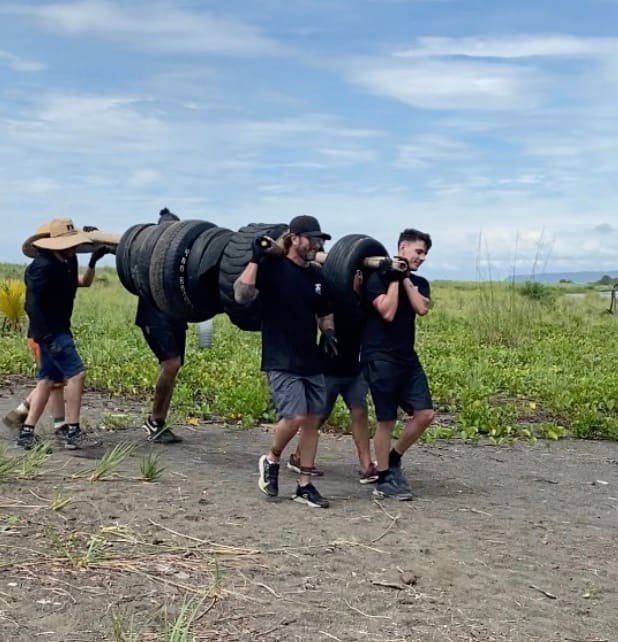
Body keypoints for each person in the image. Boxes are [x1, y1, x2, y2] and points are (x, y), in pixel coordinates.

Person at [234, 215, 336, 508]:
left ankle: (305, 485)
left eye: (320, 240)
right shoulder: (272, 267)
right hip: (280, 357)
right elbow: (241, 295)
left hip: (310, 358)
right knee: (295, 417)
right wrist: (255, 259)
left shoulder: (317, 276)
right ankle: (272, 458)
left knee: (313, 421)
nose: (316, 244)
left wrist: (328, 333)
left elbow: (324, 312)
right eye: (312, 238)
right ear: (294, 238)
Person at [16, 219, 110, 450]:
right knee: (77, 374)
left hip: (60, 328)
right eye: (69, 243)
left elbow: (84, 283)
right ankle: (72, 432)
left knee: (47, 381)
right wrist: (46, 339)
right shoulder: (41, 267)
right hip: (49, 332)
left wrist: (93, 261)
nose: (72, 247)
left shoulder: (69, 260)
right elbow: (32, 306)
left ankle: (26, 432)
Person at [360, 228, 435, 500]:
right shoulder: (376, 278)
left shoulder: (420, 282)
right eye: (418, 251)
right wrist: (392, 278)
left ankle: (392, 459)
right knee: (386, 421)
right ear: (402, 247)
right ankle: (383, 480)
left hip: (406, 358)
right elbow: (388, 312)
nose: (422, 257)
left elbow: (421, 308)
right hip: (378, 357)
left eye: (425, 253)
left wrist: (403, 278)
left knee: (425, 413)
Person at [288, 270, 378, 484]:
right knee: (317, 417)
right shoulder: (335, 297)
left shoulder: (366, 301)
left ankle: (367, 465)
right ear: (356, 275)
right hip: (327, 369)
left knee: (360, 413)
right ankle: (298, 457)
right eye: (363, 275)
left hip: (353, 370)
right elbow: (323, 316)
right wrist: (327, 330)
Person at [135, 208, 186, 444]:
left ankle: (159, 422)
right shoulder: (145, 251)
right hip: (152, 316)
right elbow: (124, 249)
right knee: (171, 363)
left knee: (174, 368)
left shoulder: (181, 254)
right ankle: (154, 421)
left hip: (176, 316)